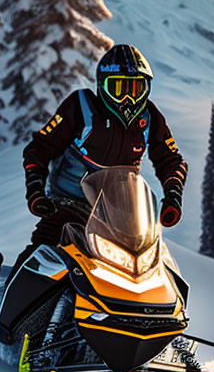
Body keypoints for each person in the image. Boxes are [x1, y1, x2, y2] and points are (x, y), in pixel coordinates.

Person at [14, 44, 187, 272]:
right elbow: (39, 149)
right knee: (37, 260)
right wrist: (35, 193)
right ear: (102, 85)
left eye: (136, 89)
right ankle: (8, 305)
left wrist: (173, 197)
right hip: (67, 209)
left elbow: (171, 160)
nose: (128, 98)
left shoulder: (150, 116)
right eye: (118, 88)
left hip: (121, 217)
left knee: (153, 271)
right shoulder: (81, 107)